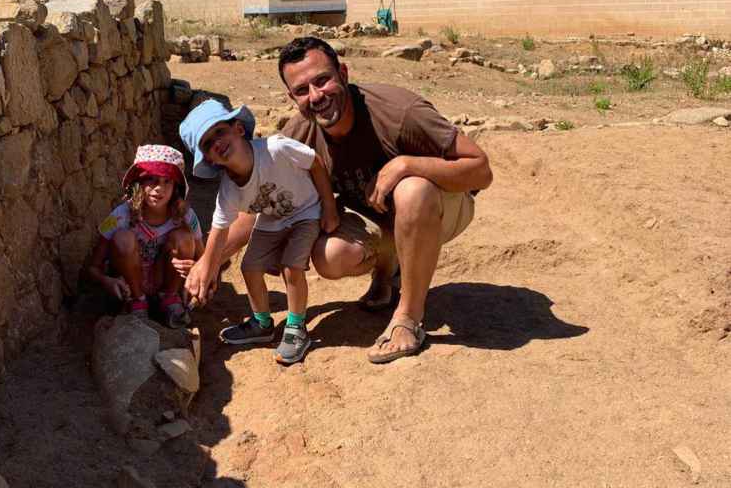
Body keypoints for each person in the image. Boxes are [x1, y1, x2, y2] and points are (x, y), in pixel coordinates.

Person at [219, 37, 494, 363]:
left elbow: (481, 170)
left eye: (322, 80)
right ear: (291, 97)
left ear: (344, 73)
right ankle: (386, 268)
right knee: (330, 254)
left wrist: (407, 164)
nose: (316, 96)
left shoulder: (398, 112)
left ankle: (408, 318)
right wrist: (207, 263)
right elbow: (263, 202)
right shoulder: (300, 133)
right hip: (380, 217)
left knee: (412, 189)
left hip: (442, 209)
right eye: (302, 90)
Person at [180, 99, 340, 365]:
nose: (216, 143)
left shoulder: (276, 148)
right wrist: (205, 270)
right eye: (208, 144)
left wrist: (329, 206)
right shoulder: (229, 191)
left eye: (219, 132)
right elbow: (219, 232)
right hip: (271, 219)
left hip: (305, 211)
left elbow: (315, 163)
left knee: (292, 267)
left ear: (239, 129)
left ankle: (296, 327)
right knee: (250, 267)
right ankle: (262, 323)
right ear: (209, 159)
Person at [86, 145, 203, 328]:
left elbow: (204, 260)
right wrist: (107, 281)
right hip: (130, 282)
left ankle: (170, 298)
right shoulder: (121, 215)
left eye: (167, 182)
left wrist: (195, 269)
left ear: (176, 187)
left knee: (184, 238)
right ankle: (137, 301)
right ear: (138, 183)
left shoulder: (186, 216)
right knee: (123, 238)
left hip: (163, 277)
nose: (159, 189)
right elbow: (93, 267)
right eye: (152, 180)